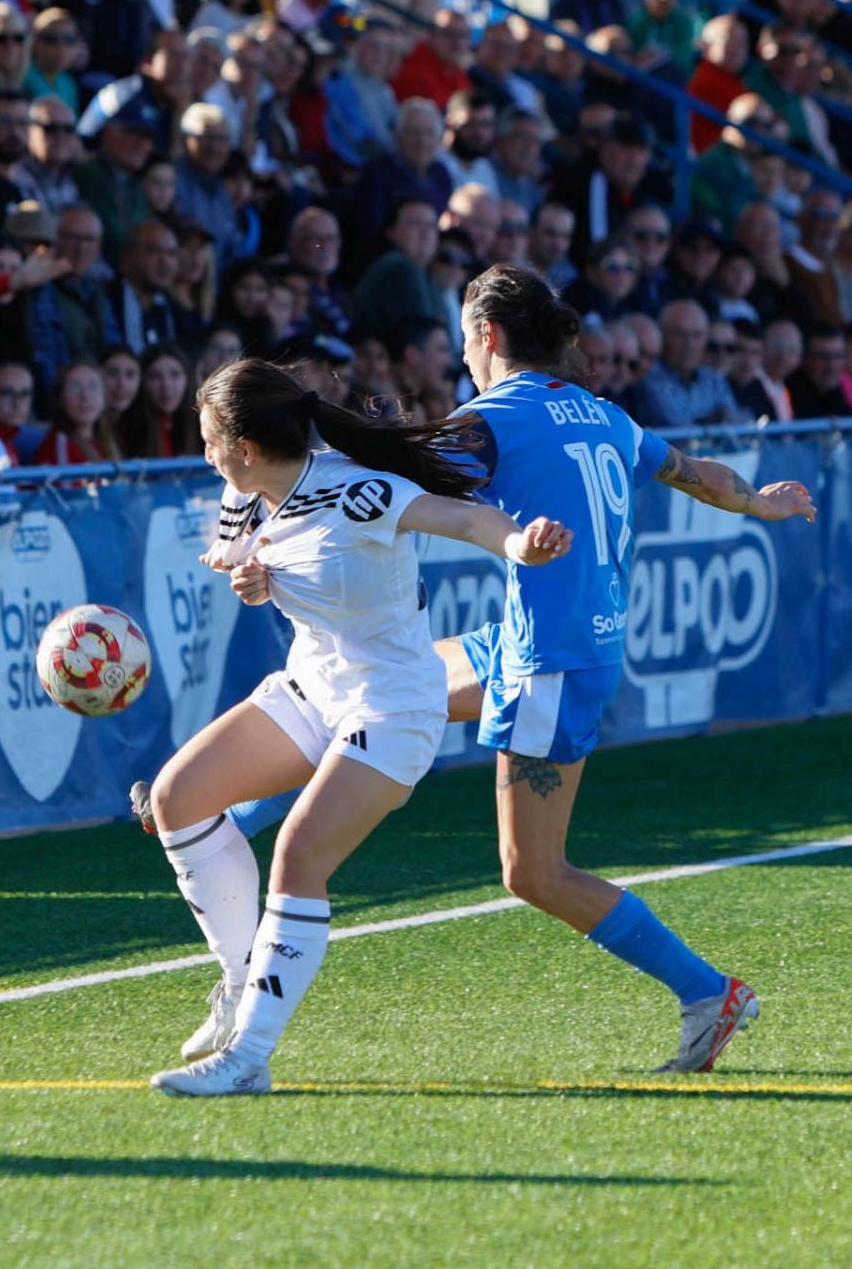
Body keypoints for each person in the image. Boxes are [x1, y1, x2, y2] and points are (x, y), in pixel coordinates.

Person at [139, 265, 816, 1079]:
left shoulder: (488, 423)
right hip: (540, 639)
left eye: (464, 340)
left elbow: (405, 491)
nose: (463, 357)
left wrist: (309, 474)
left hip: (549, 662)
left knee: (532, 872)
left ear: (487, 337)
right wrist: (759, 505)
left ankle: (709, 992)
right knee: (402, 686)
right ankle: (248, 807)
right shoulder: (603, 415)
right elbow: (697, 474)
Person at [143, 356, 574, 1097]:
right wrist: (249, 575)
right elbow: (246, 555)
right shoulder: (245, 491)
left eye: (211, 438)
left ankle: (248, 1056)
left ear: (246, 445)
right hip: (311, 688)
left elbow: (462, 516)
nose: (205, 452)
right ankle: (243, 980)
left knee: (298, 857)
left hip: (394, 703)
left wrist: (519, 546)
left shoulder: (354, 489)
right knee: (175, 799)